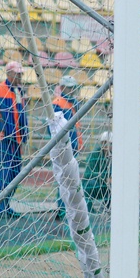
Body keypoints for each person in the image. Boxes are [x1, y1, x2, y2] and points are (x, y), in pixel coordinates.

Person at [0, 61, 28, 218]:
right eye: (17, 74)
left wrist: (24, 135)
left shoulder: (19, 91)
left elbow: (22, 114)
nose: (20, 77)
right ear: (9, 74)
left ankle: (5, 205)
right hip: (3, 140)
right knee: (2, 174)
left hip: (16, 141)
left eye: (21, 74)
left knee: (15, 174)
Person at [52, 75, 83, 219]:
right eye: (69, 88)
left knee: (71, 180)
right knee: (64, 179)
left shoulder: (74, 103)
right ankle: (62, 209)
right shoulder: (57, 103)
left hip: (73, 146)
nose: (72, 91)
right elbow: (53, 127)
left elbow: (76, 126)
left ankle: (69, 209)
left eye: (73, 88)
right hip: (63, 148)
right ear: (62, 87)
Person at [82, 131, 112, 211]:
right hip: (97, 183)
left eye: (109, 143)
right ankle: (88, 210)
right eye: (104, 142)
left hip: (108, 185)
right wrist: (105, 178)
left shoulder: (115, 156)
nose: (106, 145)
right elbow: (89, 174)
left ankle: (109, 208)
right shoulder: (94, 154)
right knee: (90, 184)